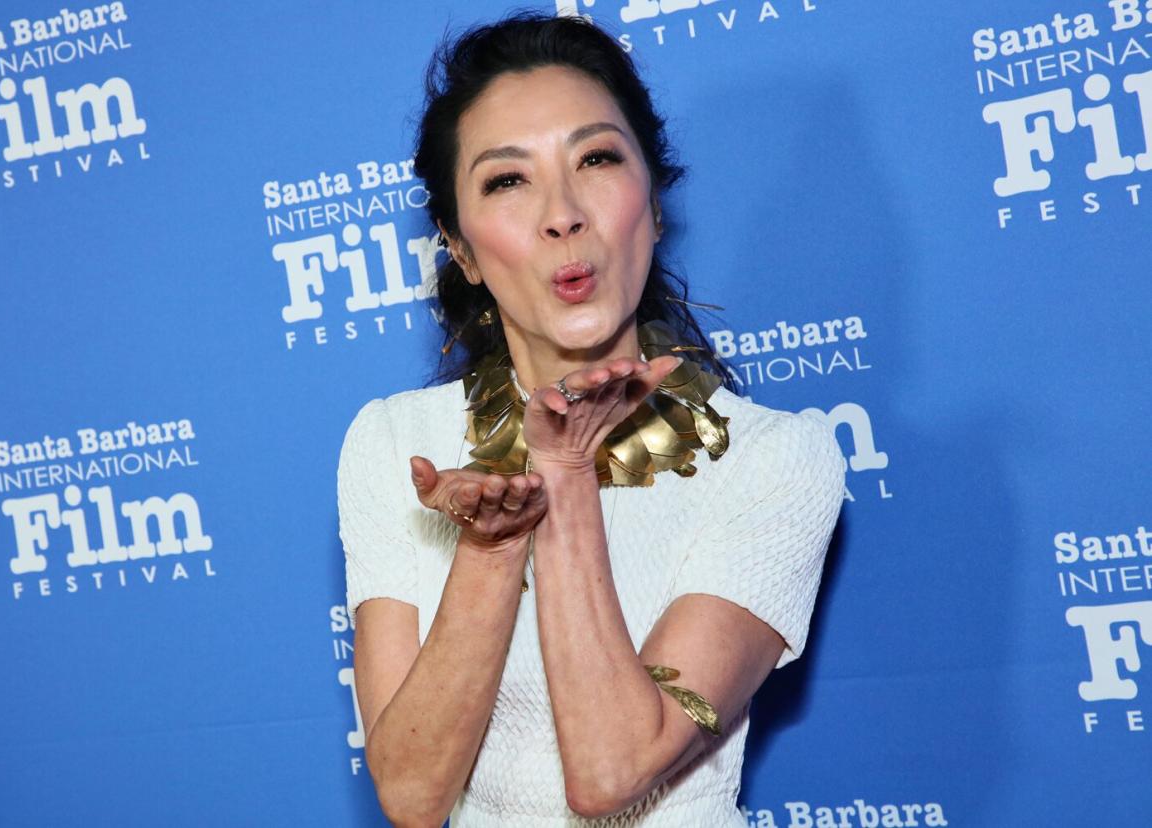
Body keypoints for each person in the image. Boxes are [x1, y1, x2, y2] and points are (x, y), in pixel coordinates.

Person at [338, 12, 846, 827]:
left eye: (597, 159)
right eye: (508, 180)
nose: (562, 214)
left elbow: (610, 773)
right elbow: (411, 793)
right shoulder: (395, 443)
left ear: (653, 204)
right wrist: (491, 549)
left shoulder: (777, 460)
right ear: (460, 248)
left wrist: (566, 476)